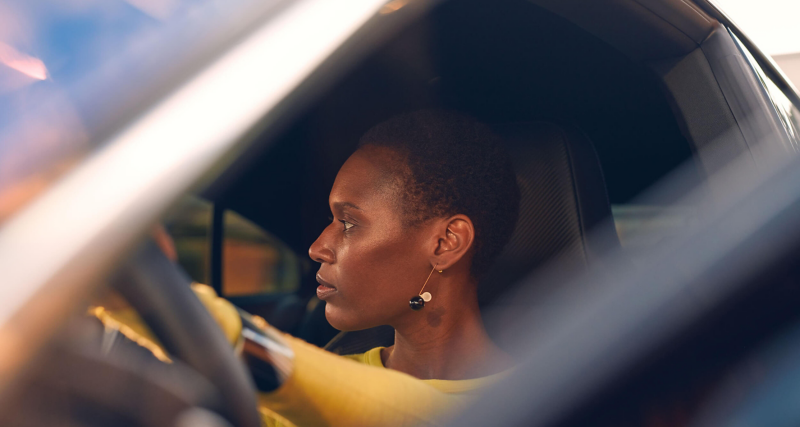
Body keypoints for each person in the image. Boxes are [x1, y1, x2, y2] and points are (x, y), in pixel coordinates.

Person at [95, 110, 521, 426]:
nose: (318, 247)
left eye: (349, 223)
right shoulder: (335, 375)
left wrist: (153, 299)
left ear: (446, 244)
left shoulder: (544, 395)